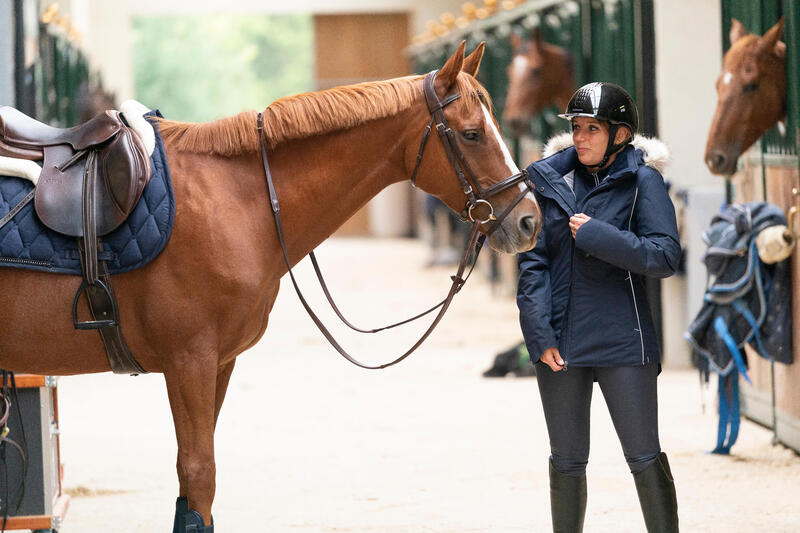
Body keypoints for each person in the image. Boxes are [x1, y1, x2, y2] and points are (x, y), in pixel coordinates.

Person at [516, 82, 681, 533]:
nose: (581, 137)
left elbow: (665, 256)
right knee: (566, 461)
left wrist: (596, 236)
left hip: (624, 342)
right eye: (576, 128)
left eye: (592, 129)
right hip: (560, 347)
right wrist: (538, 334)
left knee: (644, 455)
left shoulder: (643, 180)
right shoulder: (545, 179)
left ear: (621, 135)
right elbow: (532, 265)